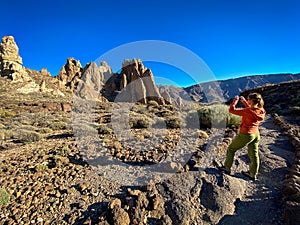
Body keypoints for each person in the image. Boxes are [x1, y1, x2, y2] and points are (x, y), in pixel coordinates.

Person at [218, 92, 266, 181]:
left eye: (248, 99)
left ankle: (227, 168)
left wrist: (235, 102)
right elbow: (251, 109)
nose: (247, 100)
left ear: (251, 101)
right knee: (254, 154)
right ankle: (252, 173)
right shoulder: (261, 109)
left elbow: (231, 110)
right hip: (255, 134)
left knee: (231, 149)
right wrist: (244, 102)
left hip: (246, 135)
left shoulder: (247, 111)